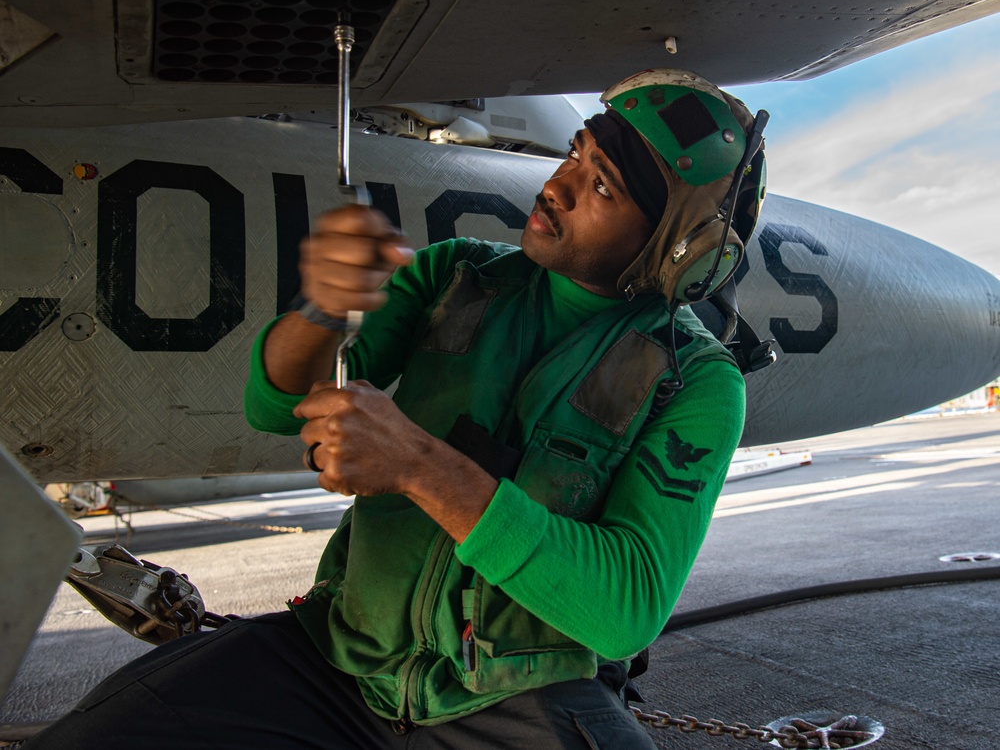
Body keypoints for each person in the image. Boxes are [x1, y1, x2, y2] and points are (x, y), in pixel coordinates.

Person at [28, 68, 764, 749]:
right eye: (575, 153)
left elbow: (624, 607)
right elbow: (276, 407)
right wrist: (321, 308)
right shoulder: (458, 274)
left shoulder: (694, 383)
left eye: (601, 187)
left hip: (518, 697)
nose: (558, 186)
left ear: (677, 249)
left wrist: (420, 467)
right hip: (337, 658)